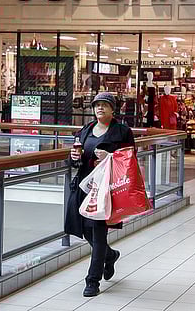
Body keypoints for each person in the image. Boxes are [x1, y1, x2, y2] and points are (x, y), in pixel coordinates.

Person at [65, 92, 135, 297]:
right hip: (84, 187)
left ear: (114, 109)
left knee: (98, 232)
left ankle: (92, 281)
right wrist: (74, 157)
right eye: (97, 105)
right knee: (82, 228)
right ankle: (110, 255)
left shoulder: (122, 131)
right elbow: (76, 161)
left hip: (105, 189)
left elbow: (130, 160)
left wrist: (110, 157)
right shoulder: (86, 130)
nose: (100, 108)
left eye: (105, 105)